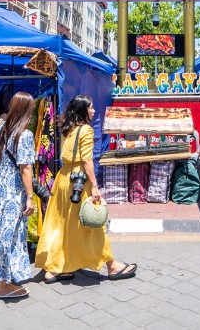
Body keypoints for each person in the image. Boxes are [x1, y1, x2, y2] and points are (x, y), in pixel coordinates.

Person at [35, 95, 137, 283]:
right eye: (90, 108)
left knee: (62, 224)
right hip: (80, 181)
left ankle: (55, 267)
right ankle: (112, 265)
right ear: (83, 111)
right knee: (92, 224)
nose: (94, 111)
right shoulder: (86, 130)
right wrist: (95, 186)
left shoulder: (67, 128)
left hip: (63, 178)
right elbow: (87, 160)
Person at [0, 92, 37, 299]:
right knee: (10, 234)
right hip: (13, 190)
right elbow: (26, 169)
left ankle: (0, 275)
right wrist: (30, 197)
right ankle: (3, 286)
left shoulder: (1, 129)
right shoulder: (24, 134)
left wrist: (5, 115)